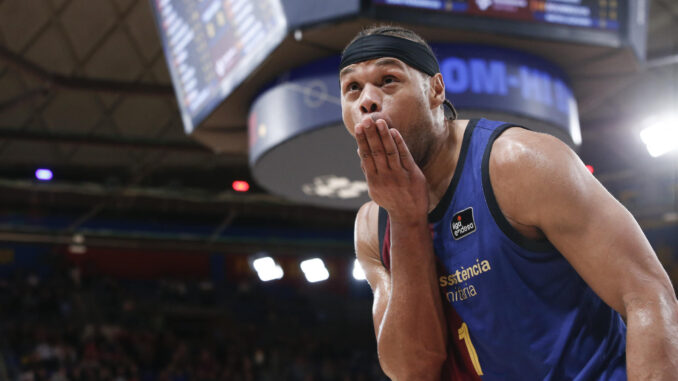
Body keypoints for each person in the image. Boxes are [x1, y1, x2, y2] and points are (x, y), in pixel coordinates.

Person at [339, 25, 678, 380]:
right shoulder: (372, 227)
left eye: (388, 79)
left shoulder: (519, 162)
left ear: (436, 89)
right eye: (353, 88)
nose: (368, 100)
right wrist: (405, 218)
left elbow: (646, 295)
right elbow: (413, 369)